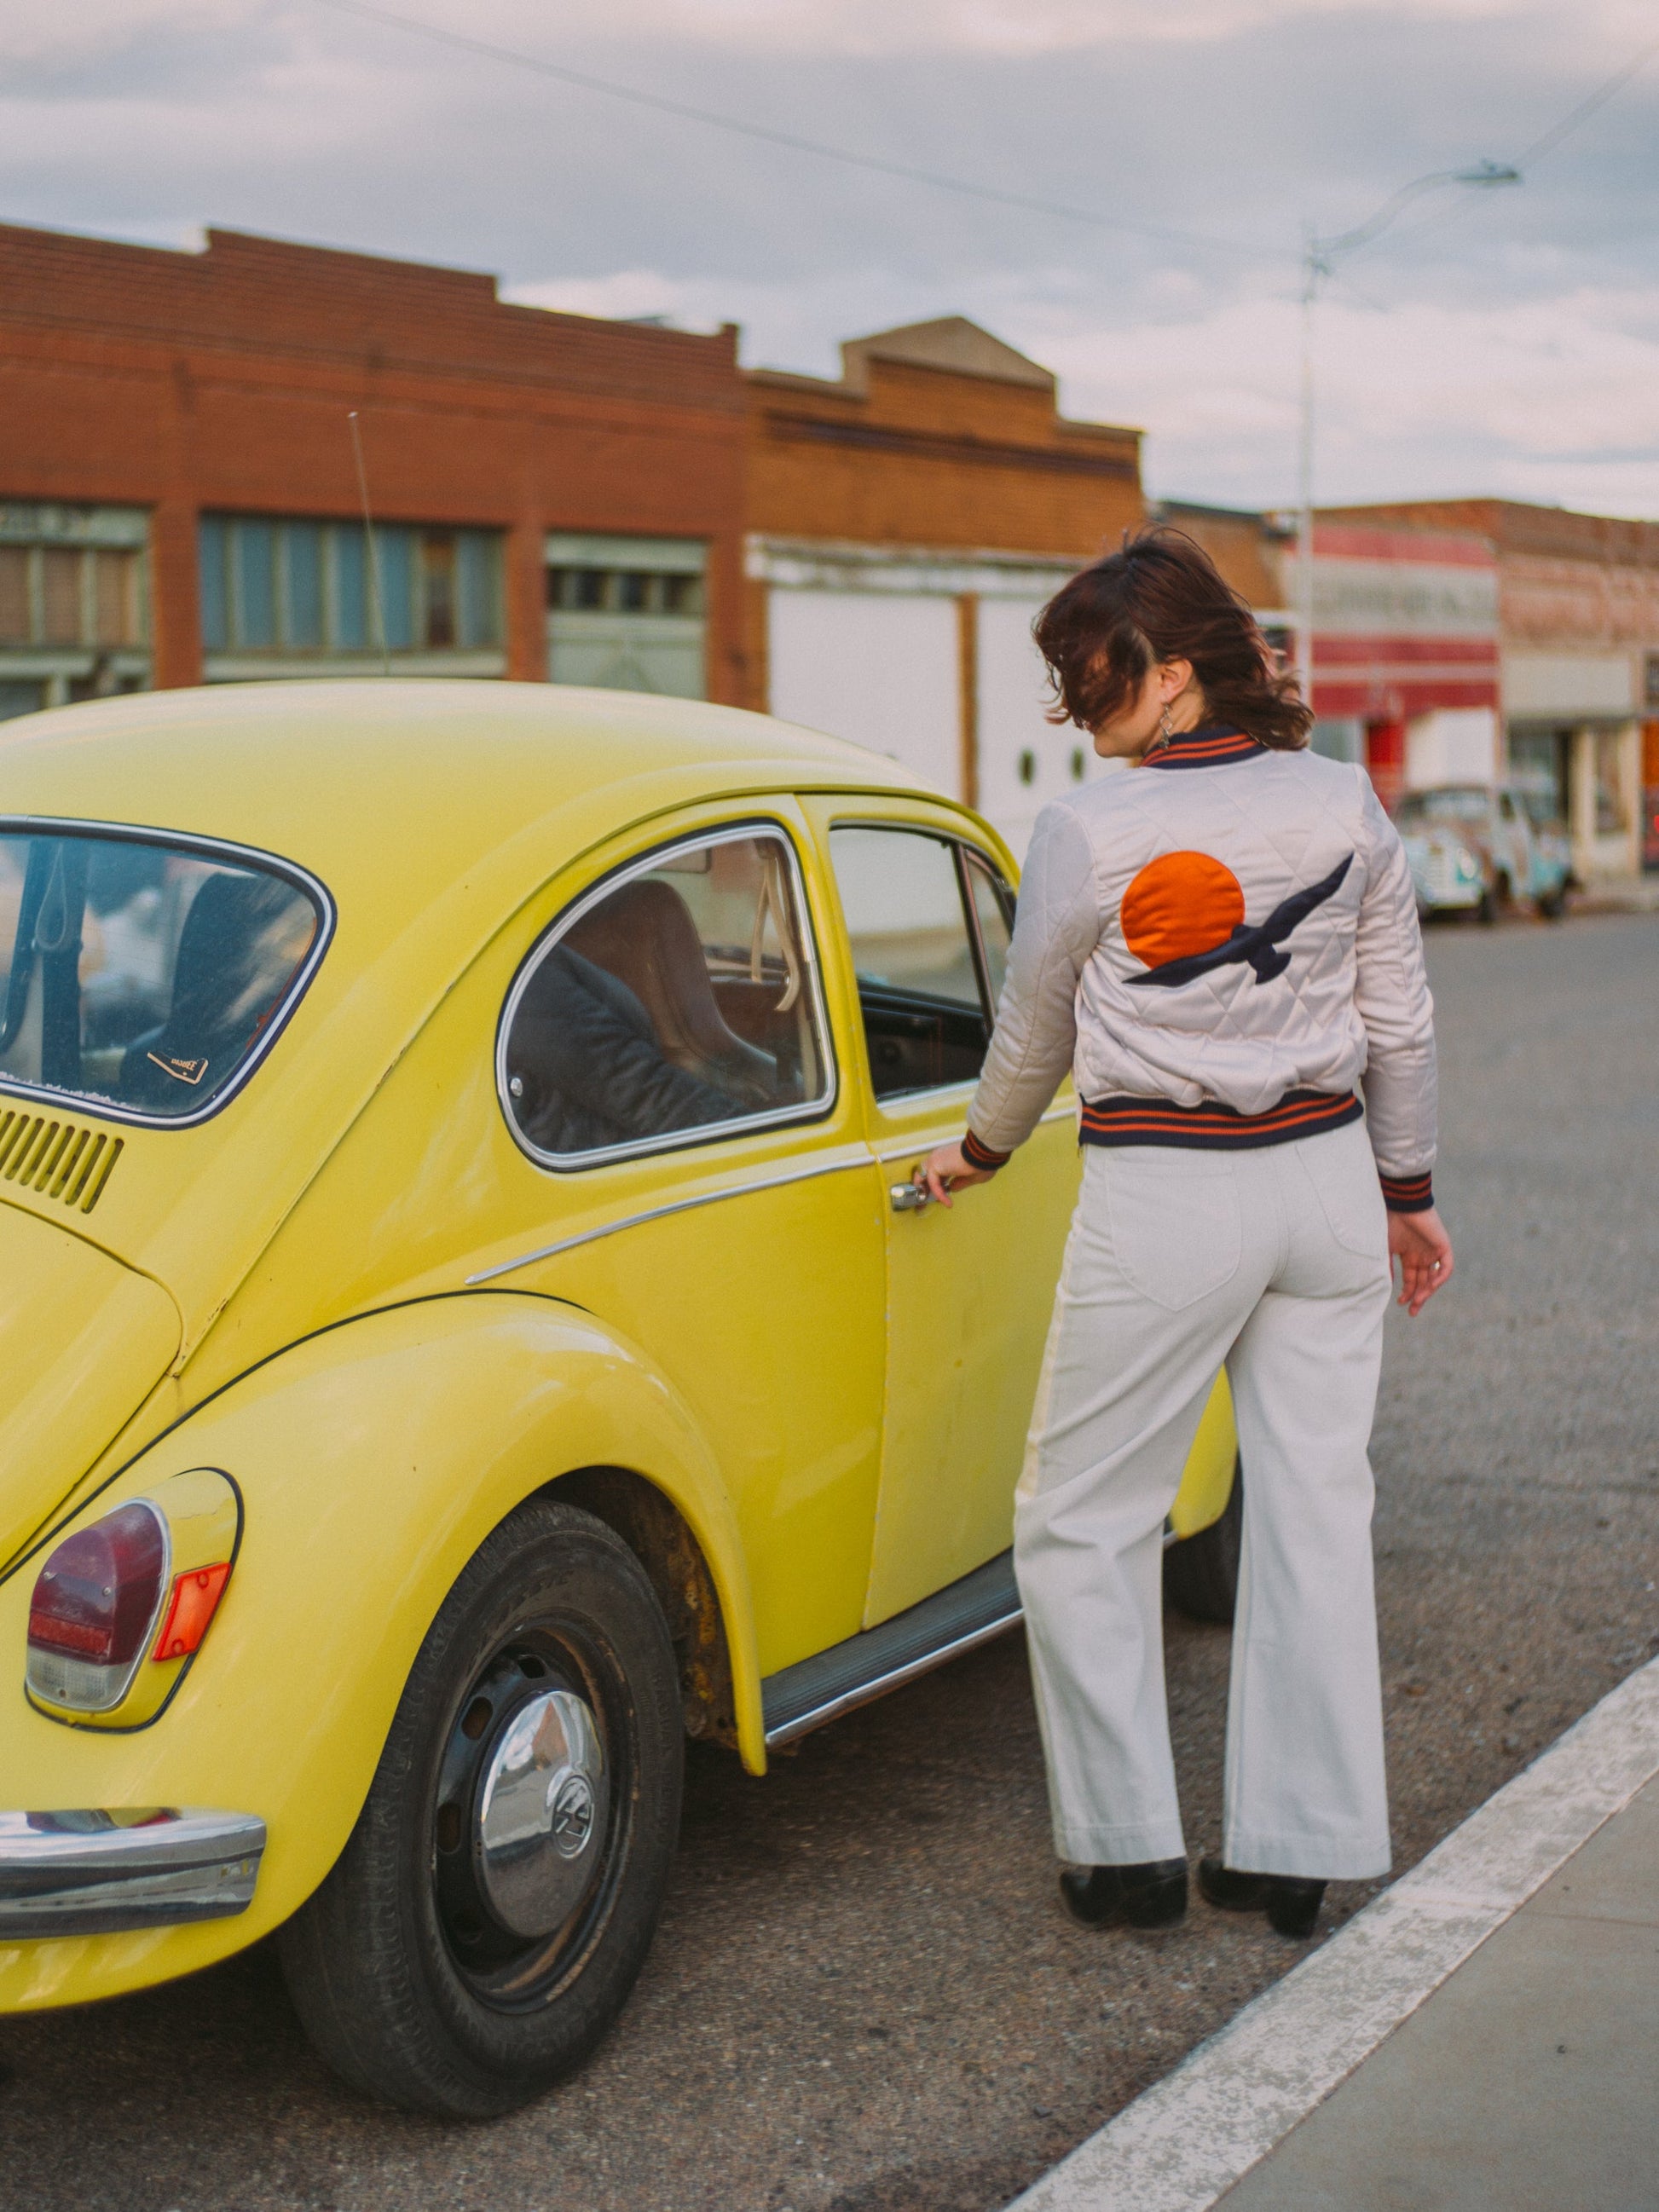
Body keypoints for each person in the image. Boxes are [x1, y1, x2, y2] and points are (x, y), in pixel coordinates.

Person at [919, 528, 1453, 1942]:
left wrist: (973, 1153)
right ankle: (1295, 1849)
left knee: (1083, 1517)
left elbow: (1030, 1036)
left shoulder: (1091, 834)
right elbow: (1398, 1023)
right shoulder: (1346, 802)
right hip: (1329, 1184)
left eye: (1092, 683)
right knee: (1314, 1513)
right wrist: (1407, 1195)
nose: (1080, 714)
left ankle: (1125, 1855)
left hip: (1167, 1195)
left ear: (1168, 672)